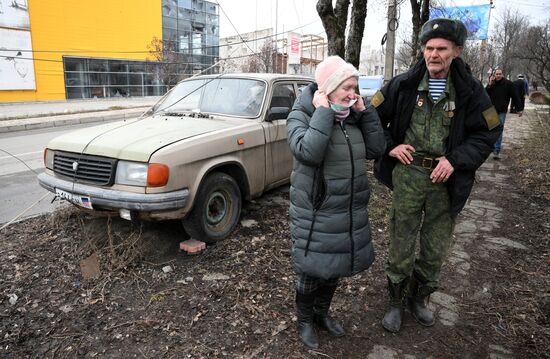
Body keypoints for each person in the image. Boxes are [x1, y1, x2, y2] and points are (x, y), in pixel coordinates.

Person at [371, 18, 503, 333]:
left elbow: (487, 134)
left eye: (441, 48)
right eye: (429, 48)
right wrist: (390, 146)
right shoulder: (402, 85)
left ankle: (419, 298)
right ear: (422, 50)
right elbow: (371, 116)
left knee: (435, 245)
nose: (434, 54)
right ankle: (395, 301)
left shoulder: (472, 92)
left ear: (456, 51)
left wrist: (455, 161)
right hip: (408, 175)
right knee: (401, 239)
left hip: (445, 181)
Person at [286, 56, 386, 349]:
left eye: (355, 87)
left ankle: (321, 314)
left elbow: (376, 149)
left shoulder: (352, 116)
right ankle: (304, 321)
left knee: (334, 268)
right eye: (347, 87)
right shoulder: (301, 114)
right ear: (327, 88)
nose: (353, 94)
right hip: (315, 211)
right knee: (310, 272)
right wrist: (323, 112)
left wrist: (364, 112)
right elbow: (309, 152)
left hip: (347, 209)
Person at [485, 68, 523, 159]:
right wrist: (489, 84)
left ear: (502, 74)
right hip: (490, 110)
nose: (498, 75)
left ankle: (496, 150)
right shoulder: (491, 84)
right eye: (497, 74)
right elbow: (485, 94)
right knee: (491, 130)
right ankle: (490, 148)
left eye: (500, 74)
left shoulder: (509, 84)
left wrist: (519, 109)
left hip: (501, 111)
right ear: (494, 74)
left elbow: (515, 96)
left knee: (498, 130)